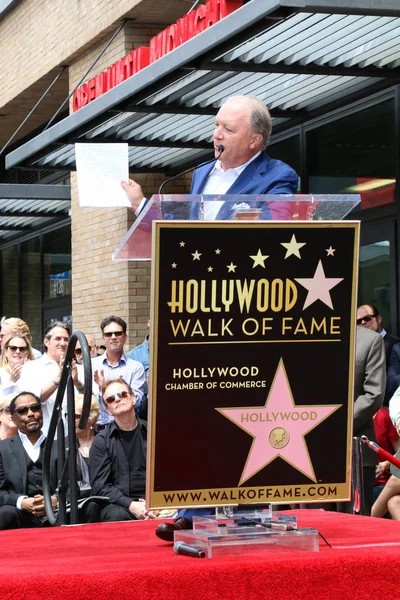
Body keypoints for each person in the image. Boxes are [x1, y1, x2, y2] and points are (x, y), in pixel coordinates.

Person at [122, 95, 298, 216]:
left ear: (254, 140)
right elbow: (182, 232)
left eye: (228, 129)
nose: (216, 134)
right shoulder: (201, 173)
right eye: (216, 125)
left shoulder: (277, 176)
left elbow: (275, 228)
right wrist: (140, 204)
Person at [89, 378, 156, 522]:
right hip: (122, 504)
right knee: (115, 516)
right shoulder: (101, 441)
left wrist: (157, 504)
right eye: (111, 399)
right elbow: (100, 486)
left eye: (123, 395)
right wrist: (131, 505)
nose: (118, 400)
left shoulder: (154, 432)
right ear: (108, 410)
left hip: (157, 502)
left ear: (133, 398)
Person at [74, 316, 146, 430]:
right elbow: (85, 401)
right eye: (108, 334)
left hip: (125, 429)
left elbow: (137, 401)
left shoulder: (135, 367)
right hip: (96, 429)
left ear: (125, 337)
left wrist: (105, 387)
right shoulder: (90, 365)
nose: (113, 337)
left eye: (117, 333)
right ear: (103, 338)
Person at [0, 392, 58, 530]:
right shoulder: (2, 449)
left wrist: (55, 500)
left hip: (57, 512)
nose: (31, 413)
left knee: (91, 508)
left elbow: (73, 487)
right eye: (22, 411)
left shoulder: (61, 446)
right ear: (13, 419)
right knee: (4, 514)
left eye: (35, 408)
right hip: (19, 514)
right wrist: (21, 502)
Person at [18, 322, 70, 434]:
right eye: (58, 339)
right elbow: (33, 401)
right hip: (45, 437)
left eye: (66, 339)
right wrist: (58, 379)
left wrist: (77, 382)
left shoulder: (76, 368)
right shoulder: (31, 367)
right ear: (46, 342)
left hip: (73, 436)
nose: (63, 343)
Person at [357, 304, 400, 404]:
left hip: (387, 408)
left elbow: (392, 383)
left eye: (367, 318)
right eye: (358, 321)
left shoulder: (396, 344)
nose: (363, 322)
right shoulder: (355, 349)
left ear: (379, 319)